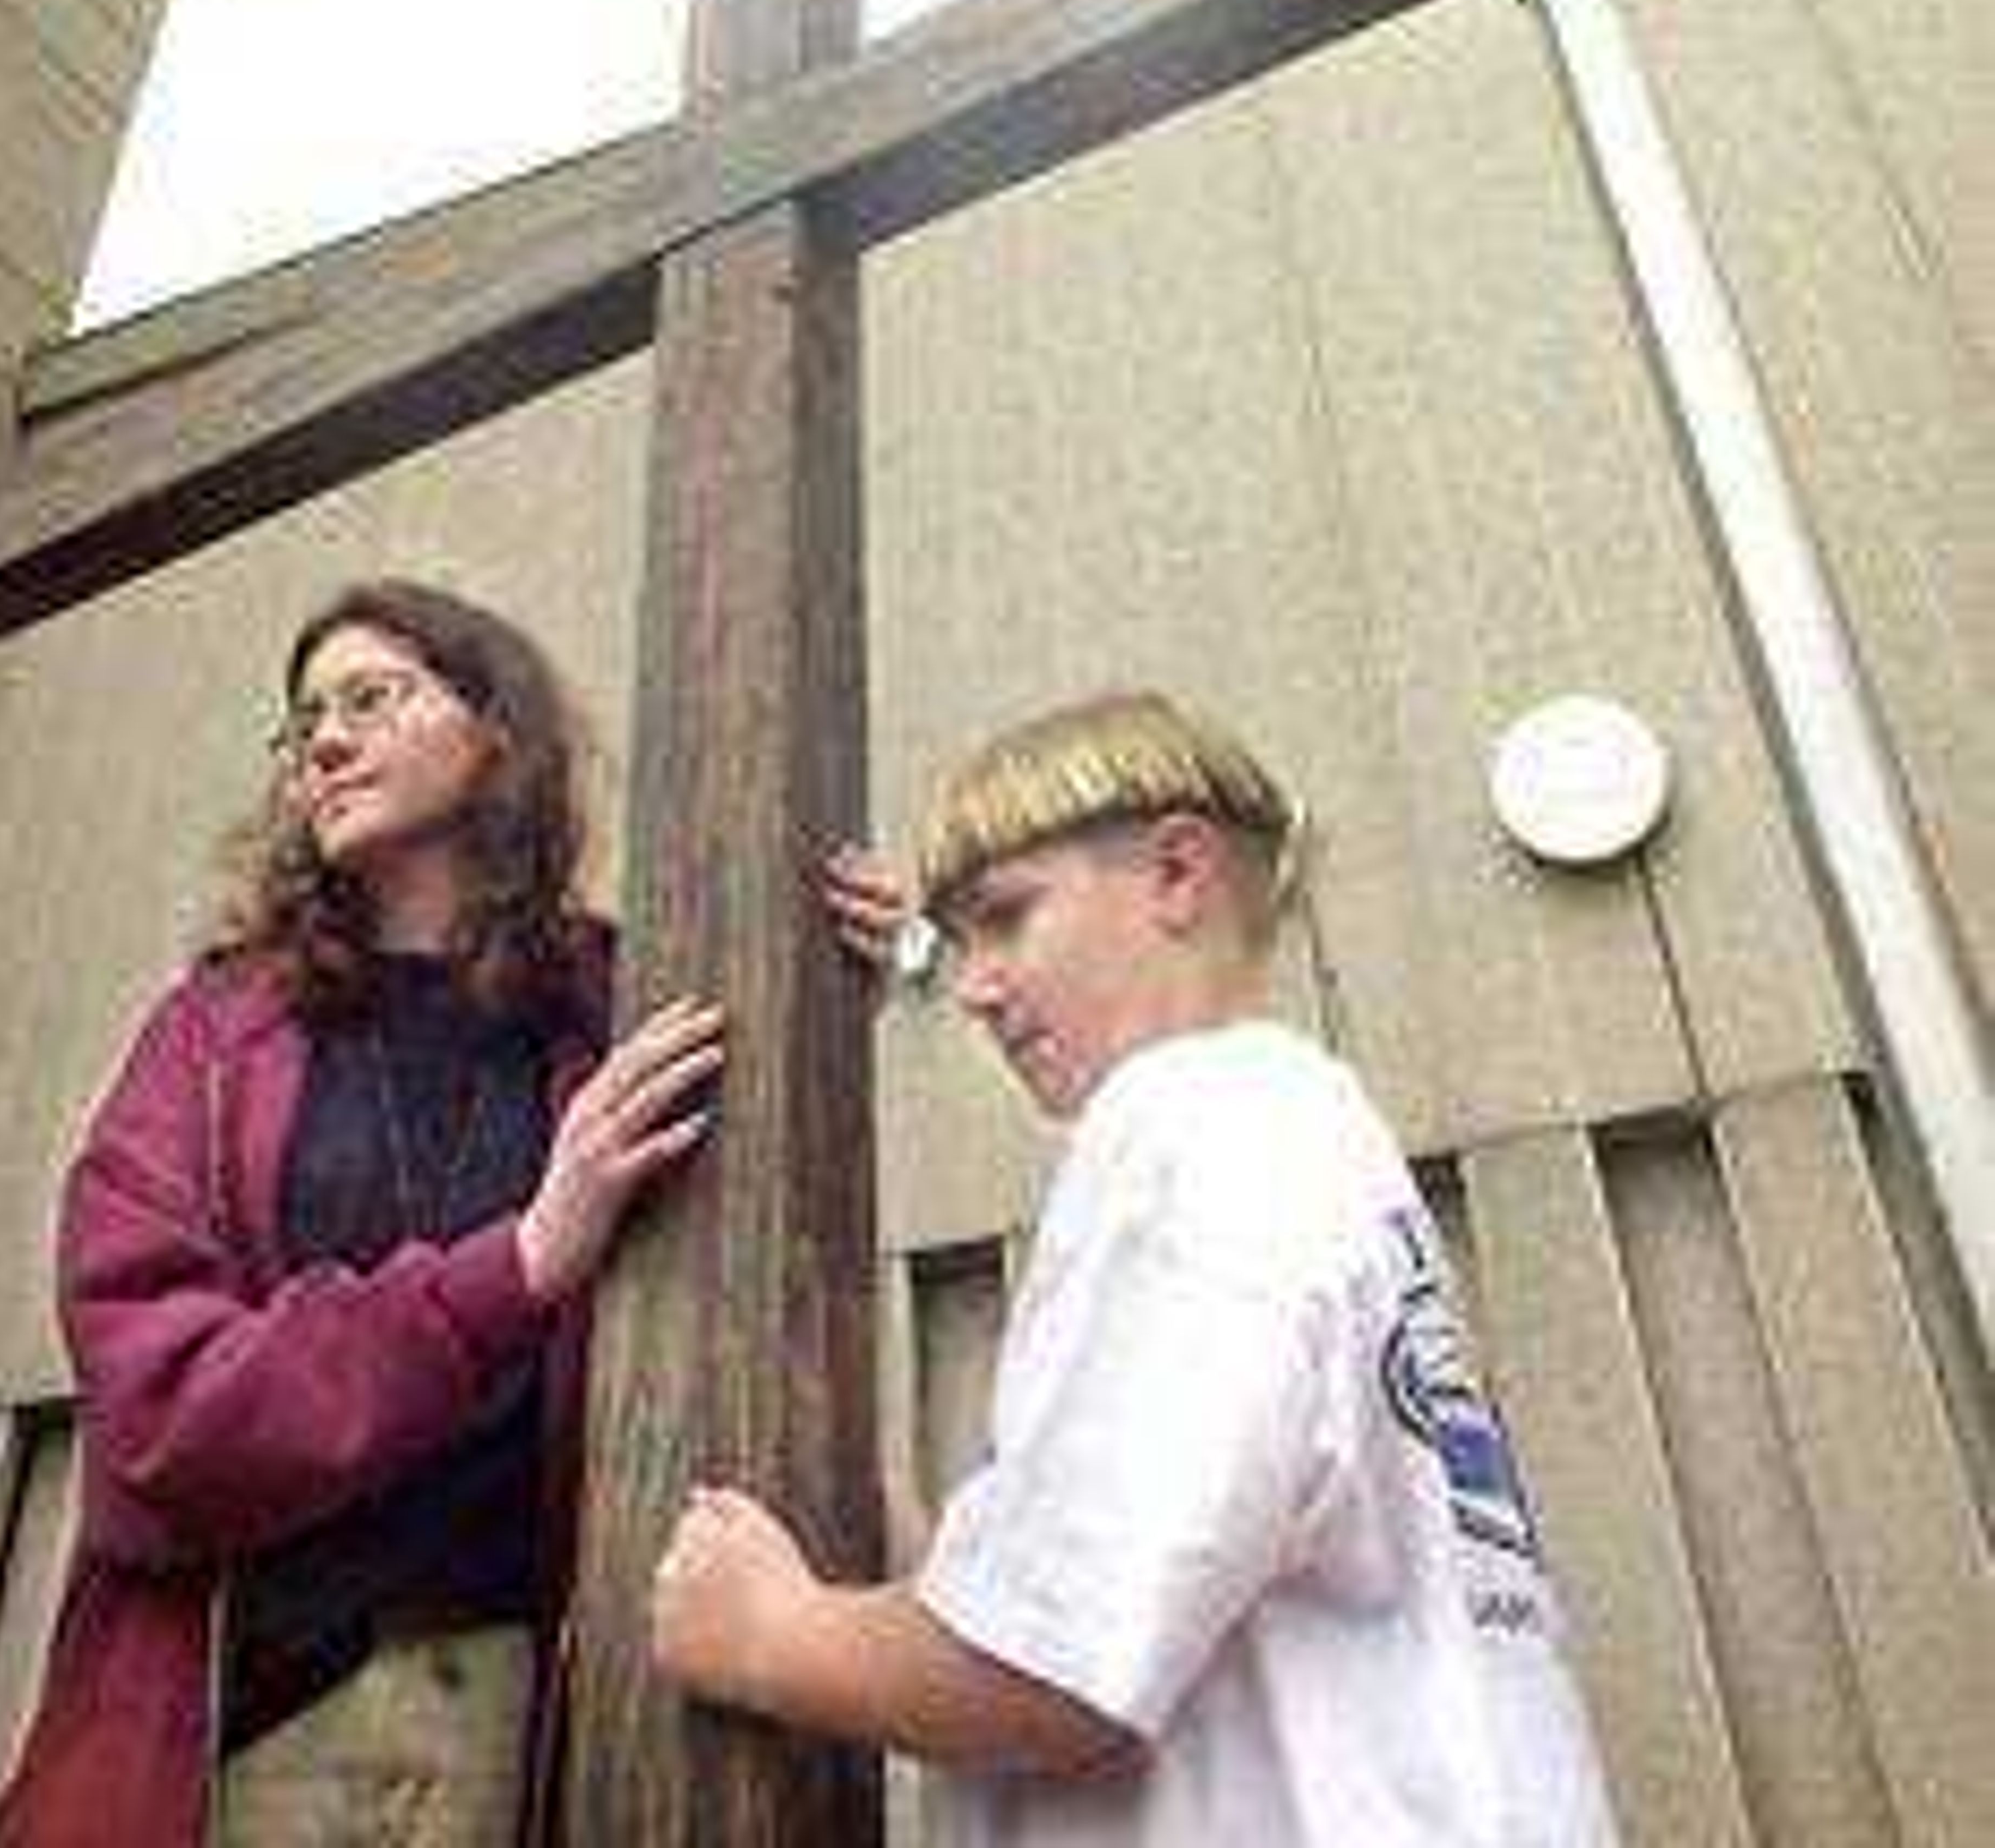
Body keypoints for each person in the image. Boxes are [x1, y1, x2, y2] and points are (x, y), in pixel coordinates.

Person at [656, 690, 1620, 1845]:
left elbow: (1058, 1673)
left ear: (1176, 873)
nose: (970, 986)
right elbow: (1126, 1606)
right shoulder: (1303, 1138)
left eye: (1006, 918)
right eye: (955, 942)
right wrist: (902, 1537)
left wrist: (772, 1635)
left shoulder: (1194, 1128)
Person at [0, 578, 722, 1847]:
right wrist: (520, 1265)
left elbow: (734, 1189)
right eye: (305, 719)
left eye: (371, 697)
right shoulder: (210, 1038)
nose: (324, 739)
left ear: (497, 731)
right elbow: (160, 1404)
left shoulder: (612, 1004)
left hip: (518, 1712)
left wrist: (837, 954)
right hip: (237, 1714)